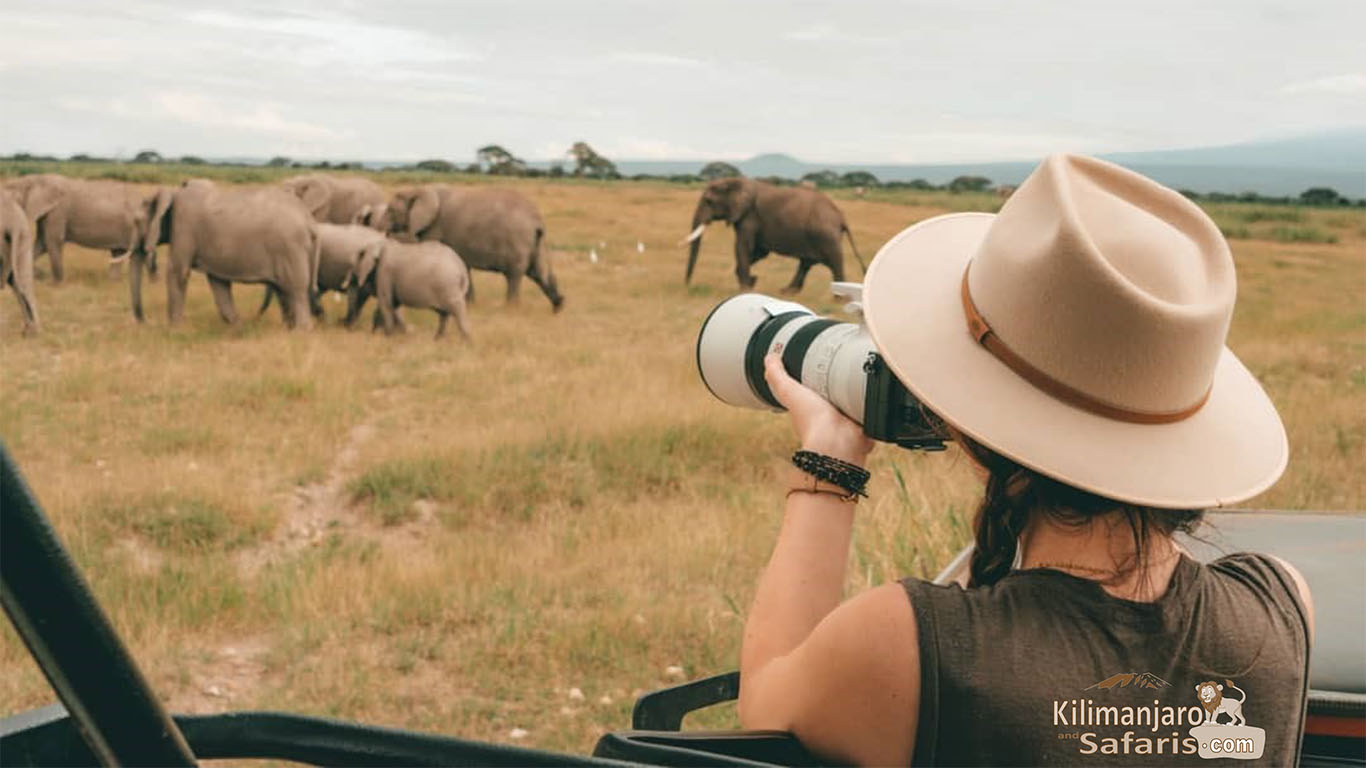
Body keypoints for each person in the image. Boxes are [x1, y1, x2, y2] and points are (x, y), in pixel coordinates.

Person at [737, 154, 1314, 766]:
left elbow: (766, 702)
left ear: (972, 436)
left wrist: (829, 465)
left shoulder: (907, 642)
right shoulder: (1279, 606)